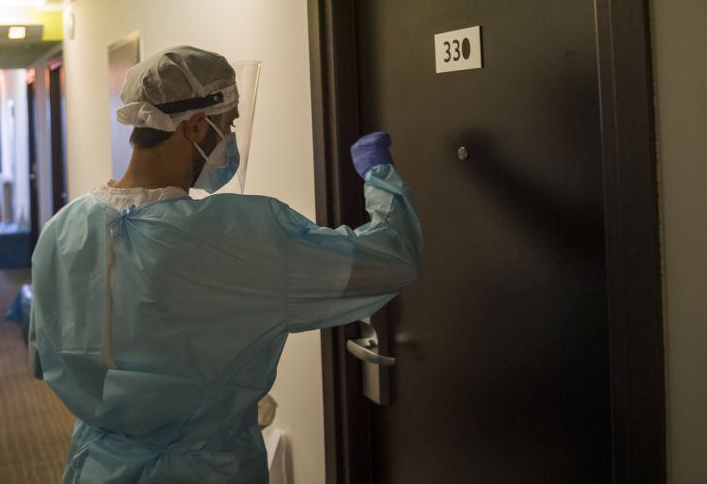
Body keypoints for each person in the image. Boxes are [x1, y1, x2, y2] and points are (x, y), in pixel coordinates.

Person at [29, 45, 423, 483]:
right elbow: (391, 260)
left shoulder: (62, 229)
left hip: (97, 467)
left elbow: (45, 358)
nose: (232, 139)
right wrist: (379, 176)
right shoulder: (239, 239)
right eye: (229, 124)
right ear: (196, 127)